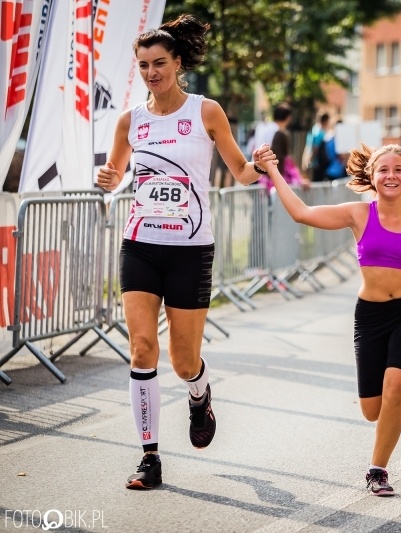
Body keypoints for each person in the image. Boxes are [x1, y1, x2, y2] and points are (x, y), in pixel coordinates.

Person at [253, 142, 401, 496]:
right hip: (370, 317)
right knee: (372, 410)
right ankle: (380, 433)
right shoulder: (358, 214)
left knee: (396, 389)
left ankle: (378, 470)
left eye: (399, 169)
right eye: (383, 169)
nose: (391, 176)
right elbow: (302, 213)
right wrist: (273, 171)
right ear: (372, 176)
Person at [96, 14, 273, 490]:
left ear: (177, 63)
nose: (152, 72)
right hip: (140, 245)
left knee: (182, 358)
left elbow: (238, 171)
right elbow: (115, 175)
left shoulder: (205, 111)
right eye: (144, 65)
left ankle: (198, 393)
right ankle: (149, 457)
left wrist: (259, 166)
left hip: (190, 248)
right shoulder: (129, 121)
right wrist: (109, 180)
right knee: (141, 347)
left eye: (159, 63)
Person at [303, 112, 330, 182]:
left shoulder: (313, 129)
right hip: (316, 163)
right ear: (326, 121)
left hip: (310, 161)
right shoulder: (320, 133)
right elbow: (315, 148)